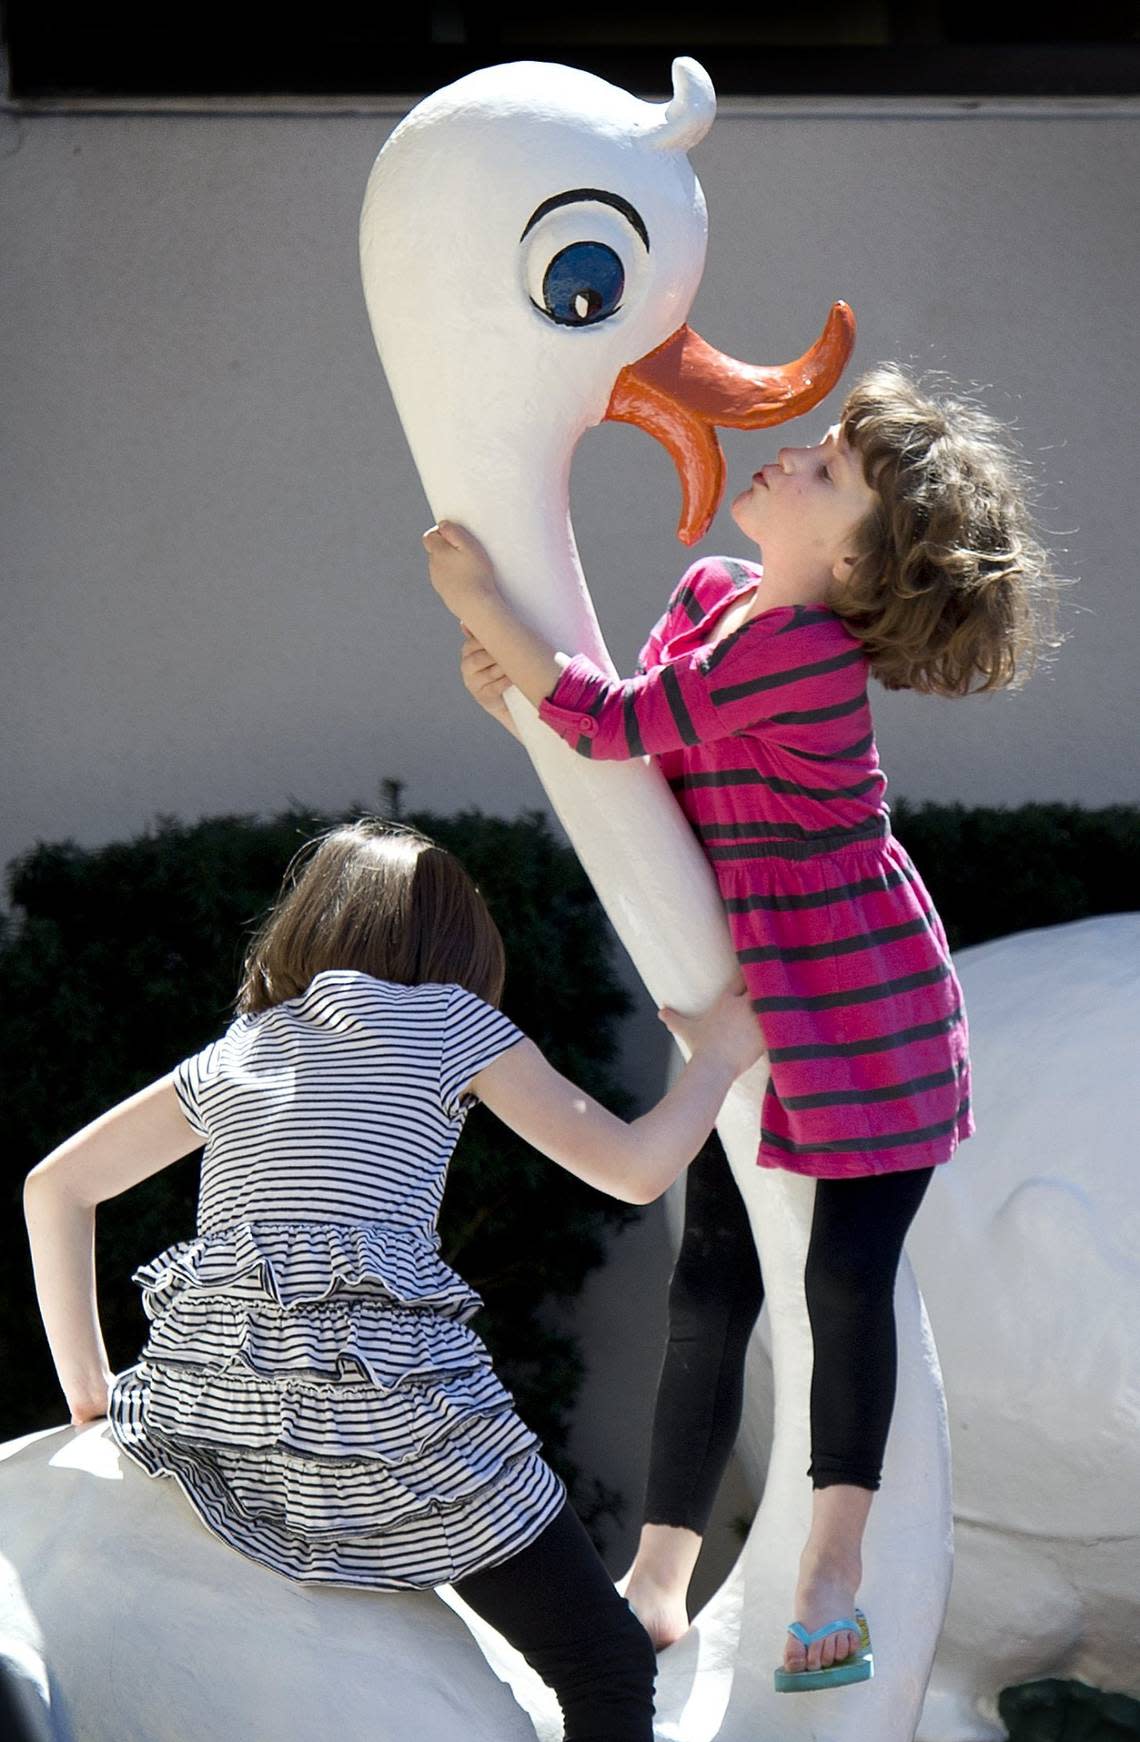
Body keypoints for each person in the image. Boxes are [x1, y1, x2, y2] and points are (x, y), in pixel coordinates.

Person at [427, 362, 1057, 1692]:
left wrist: (490, 609)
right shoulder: (715, 599)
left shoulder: (803, 657)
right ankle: (659, 1576)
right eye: (822, 443)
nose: (791, 456)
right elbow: (640, 761)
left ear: (852, 560)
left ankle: (834, 1558)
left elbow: (614, 723)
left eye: (826, 471)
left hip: (867, 1002)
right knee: (710, 1266)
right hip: (762, 996)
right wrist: (524, 695)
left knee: (840, 1279)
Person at [23, 818, 763, 1742]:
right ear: (454, 945)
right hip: (392, 1428)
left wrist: (95, 1397)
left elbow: (53, 1187)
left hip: (215, 1417)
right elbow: (636, 1169)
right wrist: (724, 1054)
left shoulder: (243, 1046)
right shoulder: (455, 1022)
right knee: (604, 1668)